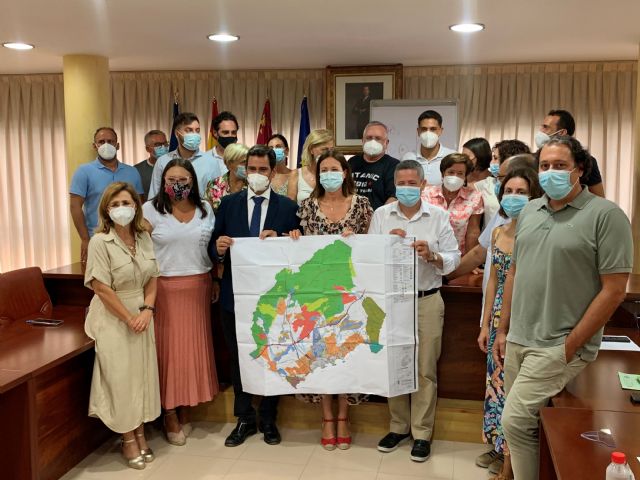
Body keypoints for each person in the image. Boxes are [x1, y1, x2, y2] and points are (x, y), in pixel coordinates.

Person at [493, 136, 633, 480]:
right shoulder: (530, 210)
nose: (550, 172)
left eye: (560, 165)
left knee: (515, 420)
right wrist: (502, 328)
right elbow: (514, 272)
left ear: (579, 169)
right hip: (519, 338)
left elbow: (614, 290)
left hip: (558, 342)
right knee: (526, 425)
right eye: (544, 166)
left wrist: (570, 345)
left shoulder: (606, 215)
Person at [210, 145, 301, 447]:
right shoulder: (228, 204)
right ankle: (244, 418)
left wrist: (286, 239)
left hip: (274, 299)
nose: (257, 174)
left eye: (263, 170)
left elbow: (298, 250)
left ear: (273, 173)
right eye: (252, 169)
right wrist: (218, 249)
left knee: (273, 355)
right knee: (239, 358)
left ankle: (269, 418)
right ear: (244, 170)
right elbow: (212, 244)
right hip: (234, 296)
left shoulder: (287, 207)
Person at [370, 159, 460, 462]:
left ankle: (422, 433)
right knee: (395, 363)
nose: (406, 188)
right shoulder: (381, 215)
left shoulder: (438, 216)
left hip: (426, 299)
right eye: (401, 183)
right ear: (394, 185)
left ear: (422, 185)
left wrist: (432, 255)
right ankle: (398, 426)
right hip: (392, 301)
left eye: (412, 183)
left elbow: (454, 257)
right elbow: (368, 259)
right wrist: (386, 245)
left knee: (425, 368)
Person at [287, 148, 373, 450]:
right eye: (324, 170)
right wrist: (294, 237)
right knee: (321, 354)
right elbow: (299, 247)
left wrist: (359, 240)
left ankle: (343, 416)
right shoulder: (307, 206)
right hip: (317, 294)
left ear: (345, 172)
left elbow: (373, 246)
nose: (329, 175)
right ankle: (326, 417)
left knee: (346, 351)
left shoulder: (362, 205)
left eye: (334, 169)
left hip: (351, 293)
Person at [83, 182, 160, 470]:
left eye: (126, 203)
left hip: (142, 313)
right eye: (114, 205)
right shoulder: (99, 242)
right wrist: (128, 318)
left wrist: (147, 310)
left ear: (136, 207)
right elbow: (101, 288)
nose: (121, 209)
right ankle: (128, 438)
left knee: (140, 376)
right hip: (113, 316)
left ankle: (140, 432)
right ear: (106, 210)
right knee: (121, 379)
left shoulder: (143, 237)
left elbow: (153, 278)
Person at [142, 158, 219, 446]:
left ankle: (187, 404)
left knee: (192, 351)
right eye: (171, 180)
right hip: (164, 289)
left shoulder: (205, 208)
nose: (177, 185)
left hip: (199, 286)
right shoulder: (149, 210)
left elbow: (211, 248)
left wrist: (216, 279)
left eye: (183, 180)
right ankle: (169, 412)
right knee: (169, 353)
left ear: (192, 181)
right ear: (163, 182)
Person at [476, 168, 543, 480]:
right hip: (497, 319)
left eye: (522, 192)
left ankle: (510, 467)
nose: (513, 197)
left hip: (524, 316)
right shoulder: (498, 232)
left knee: (514, 392)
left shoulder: (538, 235)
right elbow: (493, 281)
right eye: (509, 191)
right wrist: (485, 324)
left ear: (534, 197)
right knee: (496, 386)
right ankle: (500, 449)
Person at [70, 127, 144, 264]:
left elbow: (139, 206)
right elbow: (75, 207)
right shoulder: (84, 171)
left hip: (130, 238)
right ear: (95, 146)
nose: (106, 145)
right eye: (101, 142)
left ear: (117, 145)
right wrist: (85, 239)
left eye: (110, 141)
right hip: (97, 238)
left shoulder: (132, 172)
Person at [148, 113, 227, 199]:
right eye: (189, 130)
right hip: (168, 207)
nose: (194, 134)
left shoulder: (211, 162)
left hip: (202, 207)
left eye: (197, 130)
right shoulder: (162, 162)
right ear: (177, 133)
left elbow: (217, 197)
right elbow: (154, 196)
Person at [534, 109, 605, 197]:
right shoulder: (532, 159)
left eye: (545, 127)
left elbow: (598, 197)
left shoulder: (584, 160)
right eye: (545, 165)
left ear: (561, 132)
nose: (540, 131)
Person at [422, 153, 483, 255]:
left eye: (460, 173)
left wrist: (469, 260)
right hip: (427, 254)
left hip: (457, 256)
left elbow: (473, 232)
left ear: (465, 176)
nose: (455, 176)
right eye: (451, 172)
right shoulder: (425, 194)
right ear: (443, 173)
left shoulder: (474, 197)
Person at [348, 121, 400, 210]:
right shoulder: (352, 162)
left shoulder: (394, 165)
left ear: (386, 143)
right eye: (369, 138)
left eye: (378, 138)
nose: (373, 142)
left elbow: (393, 197)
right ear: (362, 141)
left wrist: (379, 216)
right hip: (351, 215)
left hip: (379, 216)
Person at [414, 110, 457, 185]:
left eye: (433, 129)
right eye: (424, 129)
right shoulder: (408, 158)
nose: (428, 133)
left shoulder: (453, 157)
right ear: (418, 131)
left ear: (440, 131)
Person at [292, 129, 334, 204]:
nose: (329, 153)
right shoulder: (296, 174)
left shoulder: (336, 174)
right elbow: (290, 206)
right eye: (324, 149)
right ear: (311, 149)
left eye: (331, 150)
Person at [463, 138, 497, 228]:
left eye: (467, 157)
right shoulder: (461, 179)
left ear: (481, 157)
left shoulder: (494, 181)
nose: (463, 160)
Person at [205, 143, 249, 212]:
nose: (248, 166)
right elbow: (208, 213)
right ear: (229, 164)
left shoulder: (253, 184)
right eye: (244, 162)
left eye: (249, 162)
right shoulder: (214, 185)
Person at [135, 130, 168, 199]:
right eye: (157, 144)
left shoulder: (176, 166)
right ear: (147, 149)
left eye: (165, 144)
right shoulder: (137, 170)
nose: (163, 147)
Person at [267, 133, 296, 199]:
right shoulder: (265, 176)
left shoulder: (295, 175)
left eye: (278, 147)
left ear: (286, 150)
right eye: (271, 148)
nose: (274, 150)